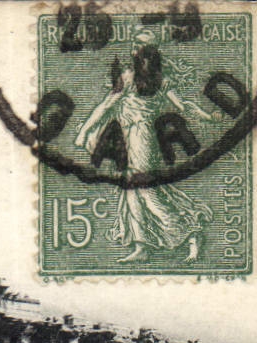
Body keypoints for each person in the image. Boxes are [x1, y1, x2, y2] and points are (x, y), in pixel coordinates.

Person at [74, 29, 221, 263]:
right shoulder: (131, 77)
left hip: (142, 137)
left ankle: (190, 232)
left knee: (146, 190)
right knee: (131, 191)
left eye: (140, 46)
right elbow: (106, 106)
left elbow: (183, 106)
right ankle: (142, 246)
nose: (135, 50)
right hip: (126, 136)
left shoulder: (154, 80)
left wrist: (208, 116)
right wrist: (85, 131)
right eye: (135, 45)